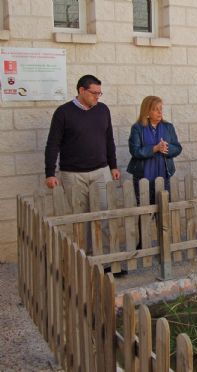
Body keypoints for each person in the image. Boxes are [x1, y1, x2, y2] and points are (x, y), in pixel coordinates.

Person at [44, 74, 120, 254]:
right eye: (94, 93)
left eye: (99, 93)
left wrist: (113, 166)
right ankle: (84, 259)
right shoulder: (63, 112)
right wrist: (50, 172)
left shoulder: (103, 110)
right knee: (81, 219)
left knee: (105, 215)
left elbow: (109, 139)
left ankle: (107, 260)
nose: (97, 97)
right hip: (73, 175)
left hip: (101, 171)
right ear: (81, 91)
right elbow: (53, 144)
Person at [126, 96, 182, 204]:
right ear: (147, 111)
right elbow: (135, 151)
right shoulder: (137, 128)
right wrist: (155, 148)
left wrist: (167, 148)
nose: (160, 112)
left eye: (161, 108)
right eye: (156, 109)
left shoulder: (168, 127)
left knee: (164, 209)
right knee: (144, 211)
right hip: (143, 177)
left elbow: (178, 148)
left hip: (164, 176)